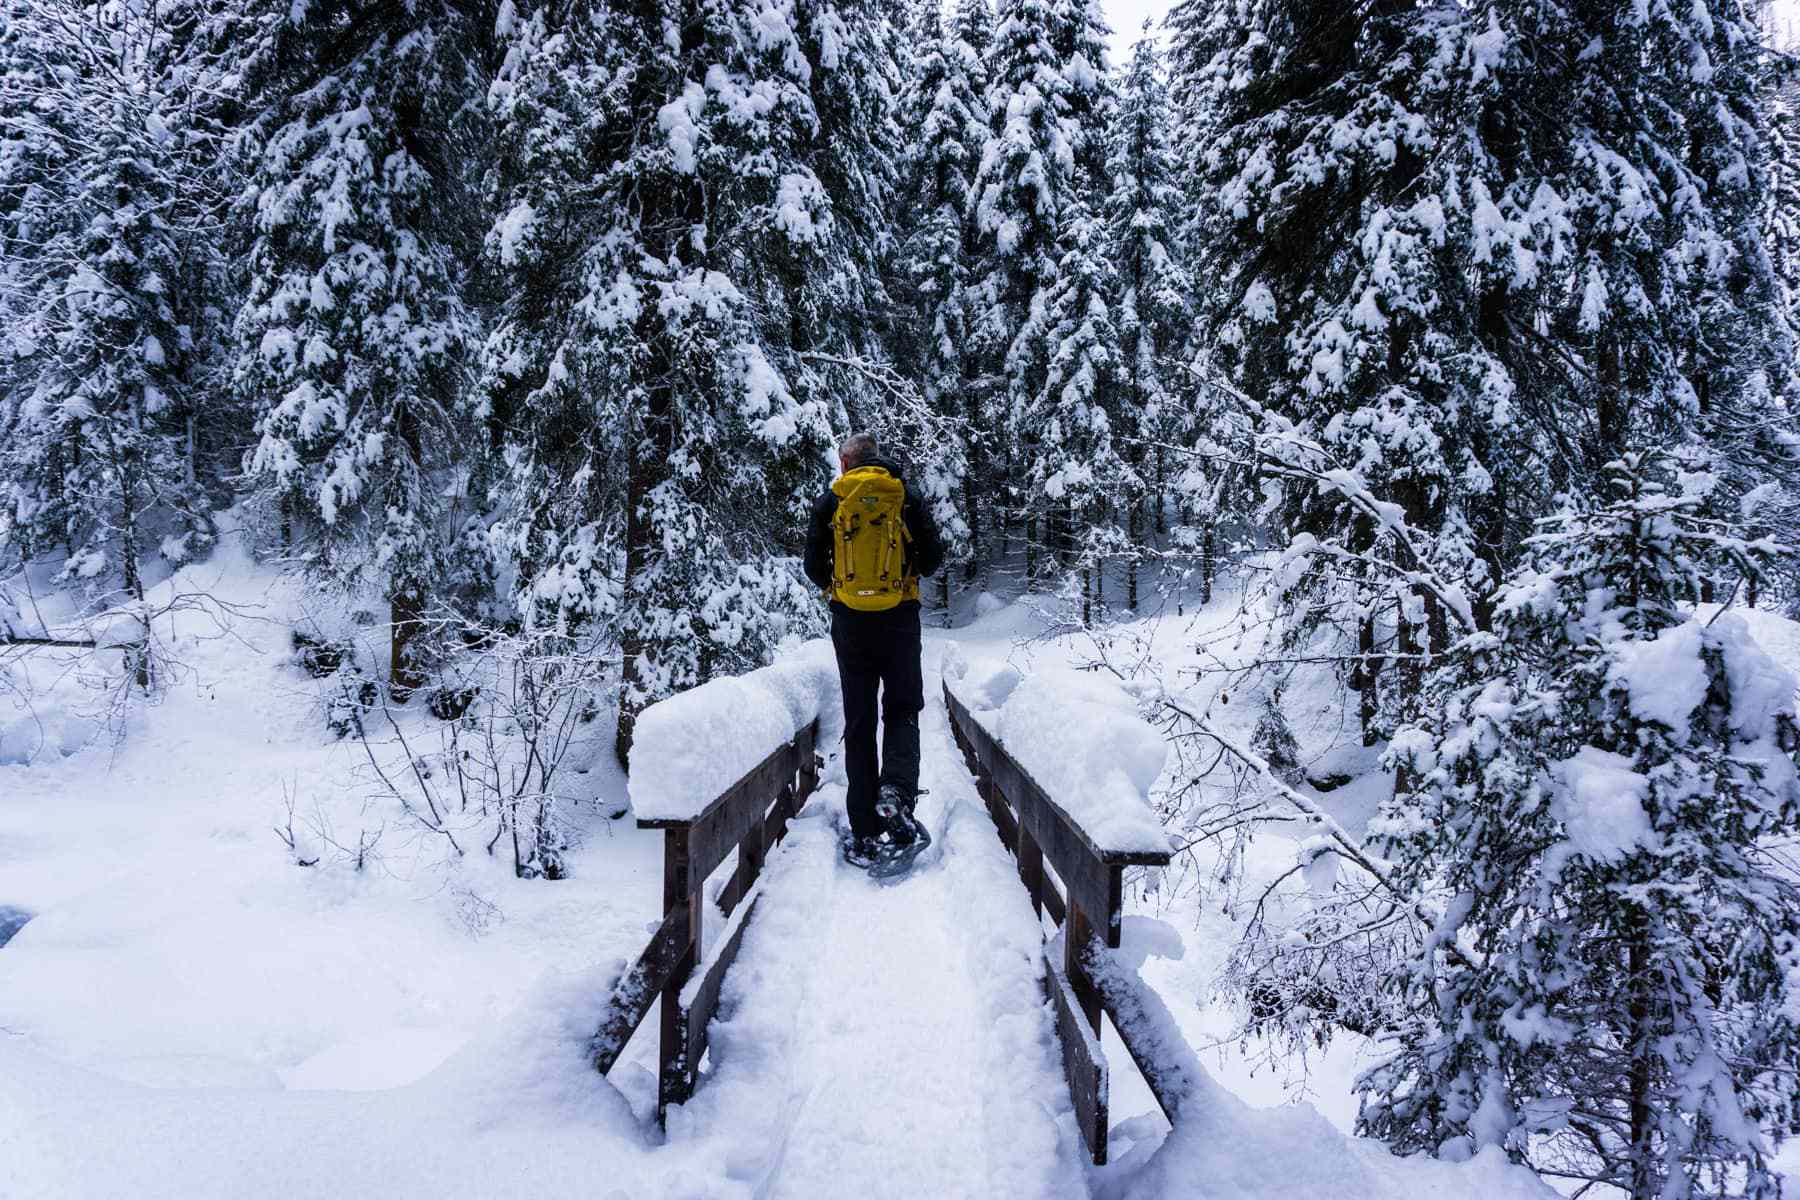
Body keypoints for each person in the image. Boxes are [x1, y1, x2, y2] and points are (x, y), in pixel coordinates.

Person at [803, 432, 945, 868]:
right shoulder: (905, 496)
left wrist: (841, 591)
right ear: (877, 457)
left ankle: (864, 826)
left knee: (860, 720)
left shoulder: (831, 501)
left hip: (850, 624)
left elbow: (813, 566)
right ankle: (897, 794)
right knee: (902, 709)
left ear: (845, 464)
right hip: (900, 619)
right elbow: (933, 559)